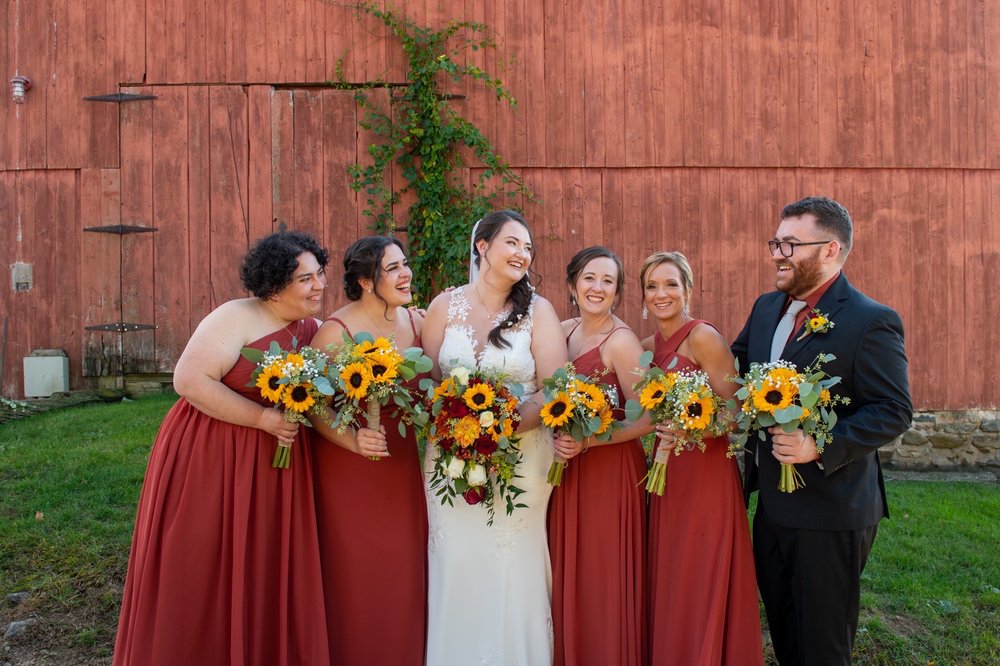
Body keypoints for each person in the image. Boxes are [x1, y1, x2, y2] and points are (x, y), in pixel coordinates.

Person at [113, 231, 332, 666]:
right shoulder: (234, 317)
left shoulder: (313, 330)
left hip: (272, 462)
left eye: (320, 273)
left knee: (260, 565)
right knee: (202, 558)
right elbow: (189, 381)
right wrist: (263, 419)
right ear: (274, 286)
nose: (319, 285)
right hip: (211, 453)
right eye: (305, 279)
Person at [732, 196, 912, 665]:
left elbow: (894, 409)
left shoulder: (870, 320)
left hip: (833, 511)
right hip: (770, 505)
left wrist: (818, 444)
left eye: (790, 244)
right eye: (776, 242)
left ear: (830, 249)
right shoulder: (767, 307)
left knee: (823, 648)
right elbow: (733, 368)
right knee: (787, 636)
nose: (777, 253)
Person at [420, 210, 568, 666]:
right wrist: (456, 424)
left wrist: (500, 427)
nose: (523, 254)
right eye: (513, 243)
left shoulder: (538, 311)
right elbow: (428, 383)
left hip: (521, 457)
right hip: (448, 459)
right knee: (457, 560)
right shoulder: (445, 306)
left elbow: (554, 388)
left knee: (510, 561)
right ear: (482, 246)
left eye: (528, 248)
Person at [308, 235, 428, 665]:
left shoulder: (418, 323)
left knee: (404, 570)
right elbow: (313, 406)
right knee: (358, 572)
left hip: (402, 469)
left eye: (405, 264)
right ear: (364, 281)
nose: (405, 273)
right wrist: (352, 439)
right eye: (392, 268)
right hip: (351, 470)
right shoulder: (334, 332)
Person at [642, 251, 763, 665]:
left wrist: (693, 429)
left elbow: (737, 410)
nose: (662, 294)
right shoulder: (647, 348)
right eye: (652, 286)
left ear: (688, 290)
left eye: (671, 284)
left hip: (705, 472)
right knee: (672, 575)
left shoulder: (703, 337)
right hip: (665, 474)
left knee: (700, 571)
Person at [546, 246, 649, 666]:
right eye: (589, 277)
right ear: (572, 284)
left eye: (608, 281)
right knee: (566, 572)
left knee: (602, 575)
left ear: (617, 292)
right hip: (566, 470)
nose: (597, 287)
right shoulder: (562, 331)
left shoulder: (621, 342)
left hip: (609, 472)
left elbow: (646, 419)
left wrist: (589, 442)